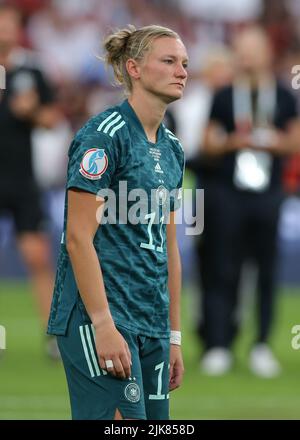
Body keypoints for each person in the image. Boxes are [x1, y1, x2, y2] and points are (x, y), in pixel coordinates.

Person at [47, 25, 188, 420]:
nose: (182, 71)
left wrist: (173, 336)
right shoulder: (103, 137)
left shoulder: (174, 148)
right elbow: (77, 238)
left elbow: (169, 246)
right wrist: (103, 325)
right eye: (169, 61)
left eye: (185, 63)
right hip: (103, 318)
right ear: (135, 68)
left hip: (152, 323)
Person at [198, 25, 300, 377]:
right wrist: (233, 143)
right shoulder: (225, 95)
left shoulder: (285, 96)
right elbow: (208, 143)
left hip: (268, 194)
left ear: (267, 52)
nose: (247, 55)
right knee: (222, 267)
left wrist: (269, 141)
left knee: (266, 271)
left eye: (253, 48)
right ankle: (218, 344)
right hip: (228, 193)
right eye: (242, 49)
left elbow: (294, 142)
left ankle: (261, 345)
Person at [0, 4, 61, 359]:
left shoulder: (32, 68)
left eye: (8, 24)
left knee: (37, 256)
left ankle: (54, 337)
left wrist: (32, 112)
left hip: (21, 178)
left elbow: (53, 118)